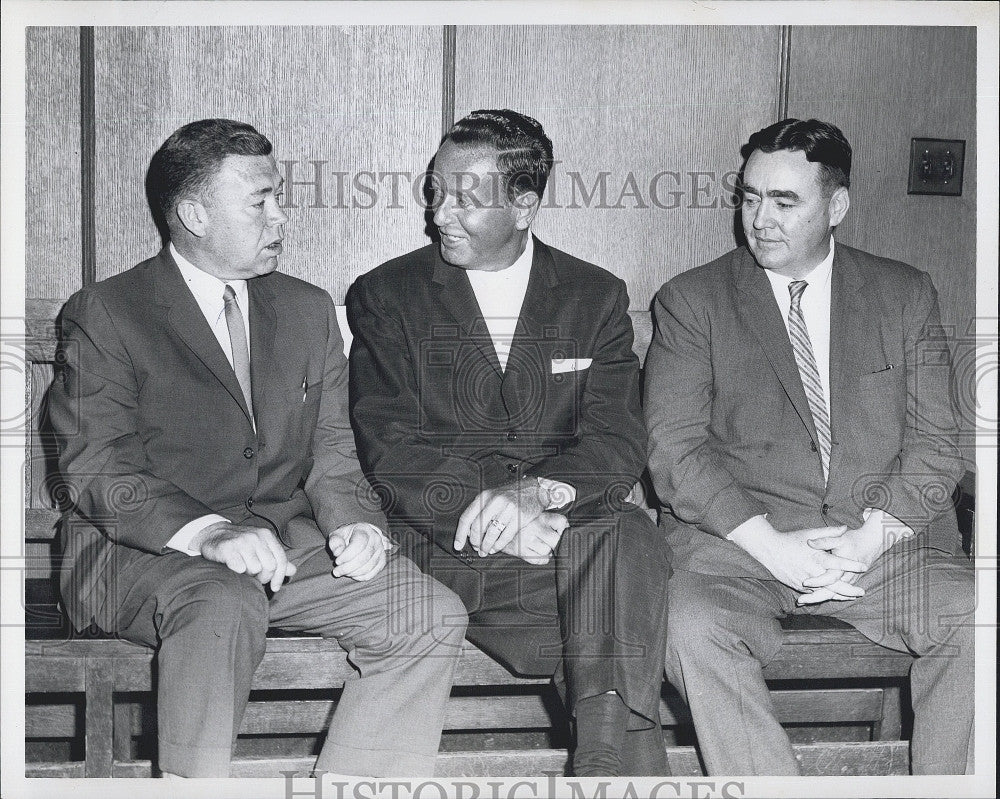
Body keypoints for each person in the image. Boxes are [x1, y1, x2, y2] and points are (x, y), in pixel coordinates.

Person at [48, 118, 467, 778]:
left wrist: (356, 522)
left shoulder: (305, 309)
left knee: (429, 614)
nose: (280, 217)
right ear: (194, 213)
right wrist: (209, 530)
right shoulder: (109, 312)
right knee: (222, 600)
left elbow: (332, 449)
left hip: (278, 546)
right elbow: (98, 466)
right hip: (132, 555)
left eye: (281, 196)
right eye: (261, 201)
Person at [347, 109, 672, 777]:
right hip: (451, 539)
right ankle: (608, 754)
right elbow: (391, 446)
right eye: (435, 189)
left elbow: (616, 434)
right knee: (626, 607)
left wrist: (539, 495)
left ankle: (601, 753)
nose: (440, 212)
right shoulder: (387, 295)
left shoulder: (594, 295)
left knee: (628, 533)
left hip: (568, 530)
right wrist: (494, 514)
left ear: (525, 203)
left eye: (465, 197)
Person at [644, 118, 975, 775]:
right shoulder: (693, 301)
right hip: (740, 550)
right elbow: (674, 446)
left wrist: (870, 537)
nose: (758, 219)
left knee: (979, 615)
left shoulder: (904, 294)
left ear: (838, 206)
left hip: (878, 548)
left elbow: (938, 438)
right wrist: (773, 546)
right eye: (749, 197)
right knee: (688, 626)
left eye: (784, 201)